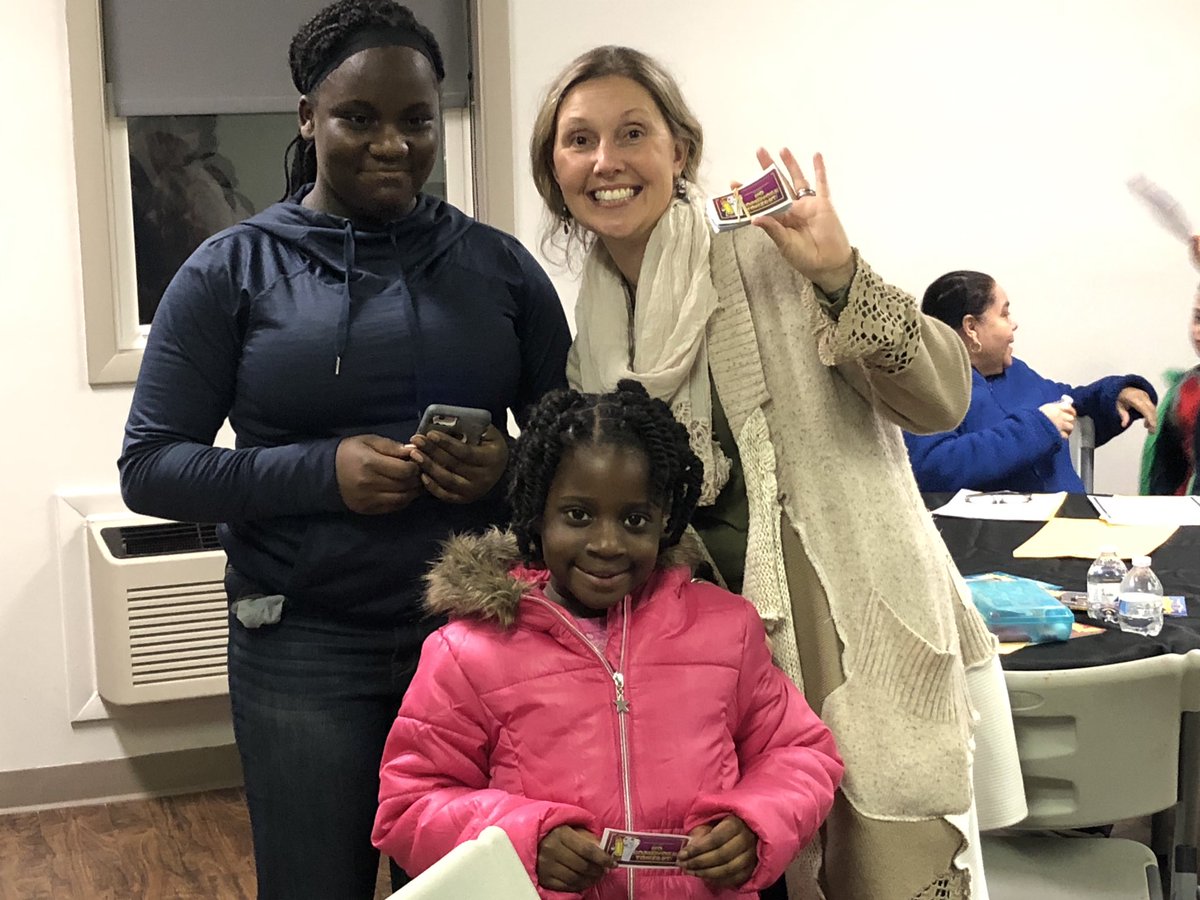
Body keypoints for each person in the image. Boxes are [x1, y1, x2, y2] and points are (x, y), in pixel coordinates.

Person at [528, 45, 1015, 900]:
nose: (605, 161)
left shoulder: (762, 247)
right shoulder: (596, 326)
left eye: (632, 133)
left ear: (679, 151)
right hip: (705, 662)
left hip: (839, 624)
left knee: (874, 867)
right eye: (579, 141)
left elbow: (942, 397)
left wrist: (836, 274)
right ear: (555, 168)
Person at [117, 2, 571, 897]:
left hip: (477, 635)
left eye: (415, 120)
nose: (391, 144)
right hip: (301, 642)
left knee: (469, 886)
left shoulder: (501, 268)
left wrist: (511, 468)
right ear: (307, 119)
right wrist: (323, 473)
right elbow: (151, 467)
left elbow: (574, 453)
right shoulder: (230, 270)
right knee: (313, 882)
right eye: (357, 118)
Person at [371, 380, 844, 899]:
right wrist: (520, 839)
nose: (606, 543)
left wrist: (758, 822)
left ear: (666, 521)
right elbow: (410, 806)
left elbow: (801, 753)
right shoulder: (467, 652)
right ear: (536, 514)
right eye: (578, 515)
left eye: (634, 519)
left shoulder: (726, 630)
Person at [907, 270, 1157, 494]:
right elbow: (935, 469)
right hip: (994, 538)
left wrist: (1117, 393)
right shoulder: (926, 390)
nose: (1014, 324)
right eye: (1004, 314)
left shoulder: (1017, 372)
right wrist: (1037, 428)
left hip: (1069, 527)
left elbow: (1073, 402)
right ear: (971, 328)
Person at [1140, 285, 1200, 495]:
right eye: (1198, 318)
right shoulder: (1185, 388)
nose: (1198, 332)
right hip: (1179, 512)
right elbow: (1165, 466)